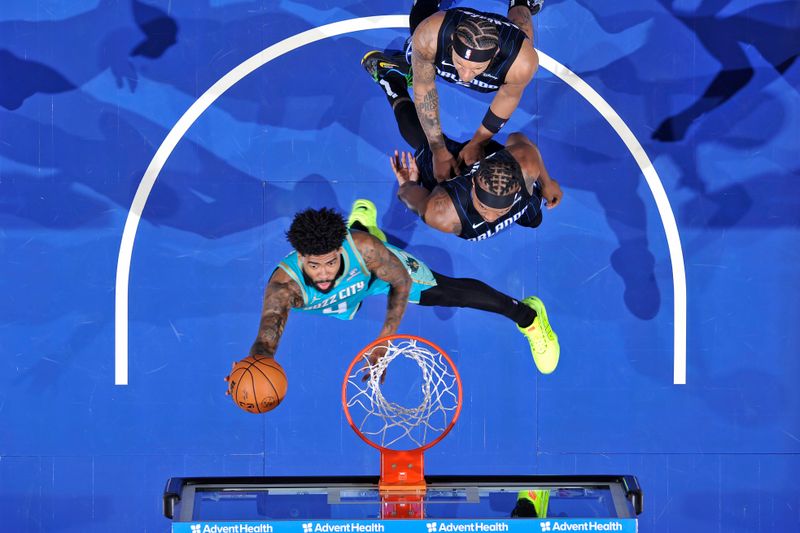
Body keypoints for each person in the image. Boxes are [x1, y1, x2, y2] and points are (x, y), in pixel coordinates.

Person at [248, 203, 560, 374]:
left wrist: (384, 340)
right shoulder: (284, 287)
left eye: (330, 262)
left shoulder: (364, 251)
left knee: (447, 293)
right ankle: (362, 222)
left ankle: (528, 315)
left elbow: (400, 281)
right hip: (346, 296)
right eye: (313, 266)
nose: (323, 273)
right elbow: (267, 338)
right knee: (355, 269)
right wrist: (252, 367)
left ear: (340, 249)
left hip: (373, 273)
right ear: (300, 256)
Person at [366, 64, 562, 240]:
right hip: (459, 173)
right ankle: (391, 78)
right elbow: (407, 194)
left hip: (495, 165)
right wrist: (408, 182)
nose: (491, 217)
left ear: (518, 188)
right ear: (473, 182)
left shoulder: (527, 165)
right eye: (485, 207)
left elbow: (519, 140)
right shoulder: (441, 211)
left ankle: (525, 213)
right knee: (426, 145)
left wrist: (546, 182)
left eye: (501, 211)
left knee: (534, 219)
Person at [362, 0, 543, 181]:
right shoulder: (430, 35)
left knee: (522, 35)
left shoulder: (522, 62)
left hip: (509, 53)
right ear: (451, 43)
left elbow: (507, 97)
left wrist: (478, 142)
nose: (465, 76)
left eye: (475, 70)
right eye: (460, 64)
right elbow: (424, 89)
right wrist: (438, 150)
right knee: (419, 34)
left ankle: (520, 2)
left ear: (494, 55)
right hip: (434, 37)